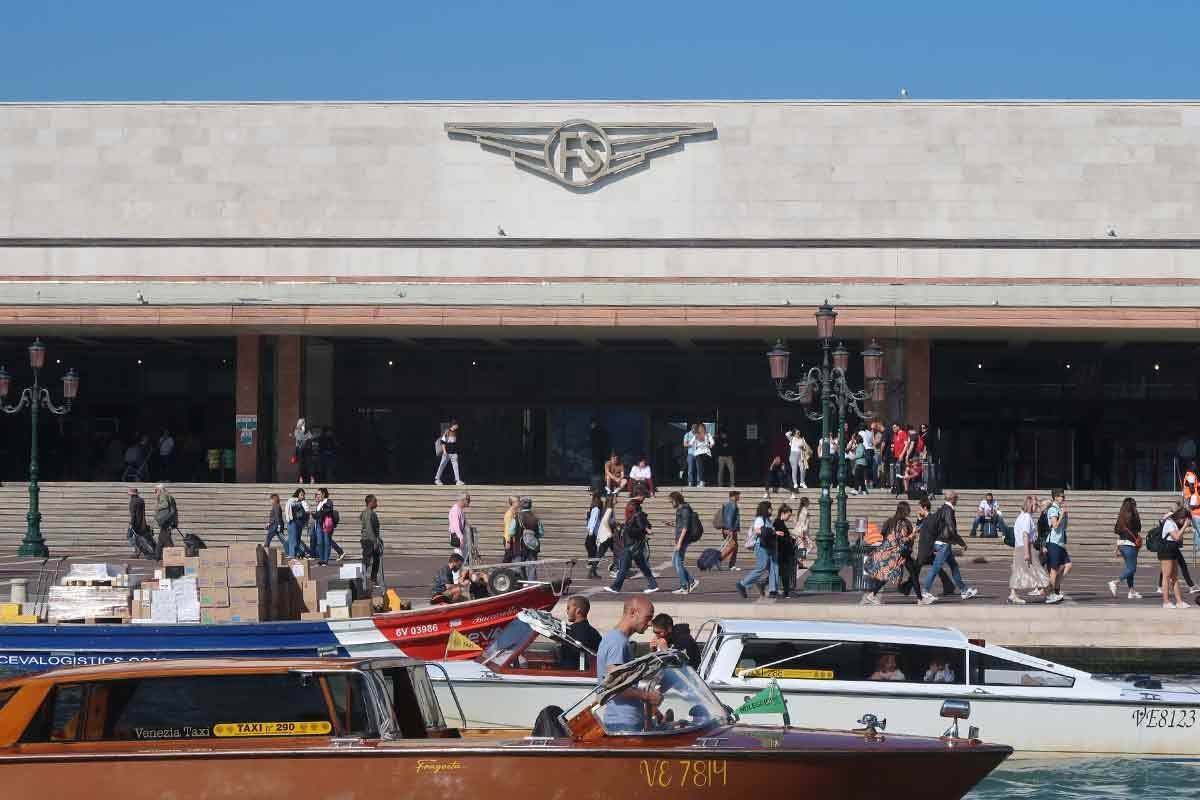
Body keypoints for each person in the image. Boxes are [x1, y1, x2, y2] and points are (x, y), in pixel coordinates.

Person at [595, 596, 661, 733]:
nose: (650, 624)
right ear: (632, 613)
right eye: (648, 617)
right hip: (623, 723)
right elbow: (616, 686)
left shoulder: (615, 638)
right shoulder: (618, 642)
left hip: (623, 720)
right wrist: (649, 696)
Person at [917, 491, 977, 604]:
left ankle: (964, 590)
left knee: (954, 566)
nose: (957, 500)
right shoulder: (948, 510)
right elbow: (951, 529)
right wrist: (962, 543)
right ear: (952, 499)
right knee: (936, 567)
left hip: (942, 542)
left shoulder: (942, 509)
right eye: (957, 498)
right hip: (943, 543)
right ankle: (925, 592)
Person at [862, 501, 914, 605]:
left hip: (889, 552)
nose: (909, 512)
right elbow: (904, 539)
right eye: (908, 510)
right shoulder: (903, 523)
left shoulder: (890, 521)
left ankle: (874, 593)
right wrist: (910, 537)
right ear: (904, 511)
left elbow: (883, 535)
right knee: (889, 575)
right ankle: (873, 594)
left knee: (889, 574)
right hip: (896, 554)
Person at [606, 497, 659, 594]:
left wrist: (627, 529)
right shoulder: (637, 516)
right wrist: (624, 526)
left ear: (633, 507)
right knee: (643, 567)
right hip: (634, 546)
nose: (626, 508)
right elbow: (642, 527)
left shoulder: (638, 516)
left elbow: (642, 528)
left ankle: (615, 587)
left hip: (632, 546)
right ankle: (653, 585)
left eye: (629, 506)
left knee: (623, 567)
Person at [1009, 495, 1050, 604]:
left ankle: (1013, 594)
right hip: (1026, 547)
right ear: (1030, 505)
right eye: (1036, 504)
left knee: (1018, 571)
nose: (1037, 507)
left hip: (1019, 547)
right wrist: (1027, 552)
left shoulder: (1021, 516)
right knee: (1038, 570)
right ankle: (1049, 594)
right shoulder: (1027, 517)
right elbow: (1025, 535)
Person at [736, 500, 775, 599]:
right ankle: (743, 584)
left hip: (768, 546)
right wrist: (771, 531)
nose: (772, 509)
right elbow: (758, 531)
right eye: (770, 508)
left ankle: (763, 584)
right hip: (761, 546)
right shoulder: (760, 519)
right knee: (761, 567)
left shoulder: (767, 519)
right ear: (766, 509)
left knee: (773, 568)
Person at [1108, 497, 1143, 600]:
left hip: (1122, 544)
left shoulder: (1121, 517)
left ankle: (1131, 591)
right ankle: (1115, 582)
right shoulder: (1133, 516)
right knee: (1132, 568)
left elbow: (1117, 531)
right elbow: (1139, 528)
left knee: (1129, 568)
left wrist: (1117, 547)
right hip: (1130, 544)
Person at [667, 492, 700, 594]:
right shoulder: (681, 510)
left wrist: (679, 543)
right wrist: (672, 524)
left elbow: (685, 528)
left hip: (683, 540)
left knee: (678, 563)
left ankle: (685, 586)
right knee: (675, 562)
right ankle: (691, 581)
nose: (670, 503)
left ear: (676, 500)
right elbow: (681, 525)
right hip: (680, 540)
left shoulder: (685, 510)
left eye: (671, 501)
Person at [1160, 506, 1193, 609]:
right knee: (1166, 576)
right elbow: (1177, 536)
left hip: (1172, 549)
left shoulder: (1174, 523)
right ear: (1181, 517)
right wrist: (1184, 527)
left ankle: (1179, 601)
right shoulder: (1169, 522)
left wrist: (1186, 529)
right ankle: (1166, 601)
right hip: (1166, 549)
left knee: (1174, 577)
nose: (1184, 522)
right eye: (1185, 520)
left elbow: (1177, 536)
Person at [558, 595, 602, 670]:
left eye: (568, 608)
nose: (567, 611)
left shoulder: (571, 632)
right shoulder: (593, 632)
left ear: (578, 610)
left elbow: (569, 659)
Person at [1044, 489, 1072, 604]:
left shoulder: (1059, 509)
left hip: (1060, 543)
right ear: (1055, 497)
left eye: (1063, 496)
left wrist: (1066, 515)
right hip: (1053, 542)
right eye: (1061, 496)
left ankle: (1055, 588)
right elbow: (1055, 525)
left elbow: (1064, 526)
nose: (1063, 498)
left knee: (1069, 565)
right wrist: (1061, 515)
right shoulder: (1052, 509)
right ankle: (1051, 593)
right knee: (1054, 570)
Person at [516, 496, 544, 580]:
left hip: (521, 545)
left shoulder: (518, 517)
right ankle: (531, 584)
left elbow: (512, 531)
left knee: (519, 564)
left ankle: (522, 582)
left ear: (521, 505)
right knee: (532, 566)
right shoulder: (536, 518)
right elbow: (541, 533)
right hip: (534, 545)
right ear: (530, 505)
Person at [311, 487, 341, 565]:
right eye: (316, 494)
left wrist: (320, 512)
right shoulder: (319, 503)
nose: (317, 496)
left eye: (318, 494)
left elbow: (326, 511)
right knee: (320, 542)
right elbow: (318, 515)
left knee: (327, 542)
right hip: (319, 524)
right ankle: (321, 559)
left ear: (323, 494)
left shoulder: (328, 501)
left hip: (326, 524)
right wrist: (313, 514)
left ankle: (325, 560)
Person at [773, 504, 797, 597]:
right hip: (782, 551)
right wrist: (790, 539)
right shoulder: (778, 523)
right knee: (784, 572)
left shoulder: (780, 523)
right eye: (788, 515)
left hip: (784, 550)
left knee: (782, 572)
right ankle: (786, 591)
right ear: (783, 513)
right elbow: (780, 538)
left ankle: (786, 590)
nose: (789, 517)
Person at [360, 494, 383, 586]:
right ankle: (363, 579)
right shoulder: (368, 513)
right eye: (375, 501)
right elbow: (369, 528)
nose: (377, 503)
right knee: (366, 559)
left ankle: (373, 579)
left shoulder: (368, 512)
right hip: (368, 540)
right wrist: (374, 541)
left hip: (371, 538)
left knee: (376, 559)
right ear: (370, 503)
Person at [152, 483, 178, 560]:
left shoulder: (163, 495)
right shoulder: (169, 495)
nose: (155, 492)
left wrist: (157, 507)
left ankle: (174, 555)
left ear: (160, 490)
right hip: (169, 520)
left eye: (156, 490)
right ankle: (157, 555)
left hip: (166, 520)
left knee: (166, 539)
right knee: (161, 538)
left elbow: (165, 505)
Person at [434, 421, 463, 486]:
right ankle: (437, 479)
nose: (457, 427)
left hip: (454, 453)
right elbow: (443, 442)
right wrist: (444, 451)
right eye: (456, 425)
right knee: (442, 465)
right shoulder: (447, 431)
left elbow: (454, 443)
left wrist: (456, 453)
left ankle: (457, 480)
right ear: (453, 425)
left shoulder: (455, 432)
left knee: (456, 466)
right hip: (447, 453)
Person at [684, 423, 714, 488]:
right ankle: (701, 481)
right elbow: (690, 443)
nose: (701, 429)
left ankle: (705, 481)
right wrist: (690, 444)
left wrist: (710, 445)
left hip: (706, 453)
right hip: (698, 453)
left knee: (706, 468)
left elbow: (712, 442)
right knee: (700, 468)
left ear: (704, 428)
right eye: (699, 428)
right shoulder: (696, 435)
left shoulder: (708, 435)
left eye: (702, 428)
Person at [448, 492, 474, 565]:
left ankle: (461, 573)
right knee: (458, 555)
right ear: (463, 500)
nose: (469, 502)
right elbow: (456, 525)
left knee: (464, 555)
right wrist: (460, 537)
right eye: (468, 500)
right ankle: (455, 574)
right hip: (457, 536)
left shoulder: (459, 510)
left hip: (460, 535)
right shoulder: (455, 510)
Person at [127, 487, 152, 558]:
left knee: (129, 536)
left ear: (131, 495)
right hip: (142, 522)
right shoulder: (141, 500)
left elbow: (133, 514)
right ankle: (141, 552)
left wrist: (131, 524)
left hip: (135, 523)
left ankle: (139, 551)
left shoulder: (132, 502)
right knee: (143, 538)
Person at [584, 492, 604, 578]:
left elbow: (592, 520)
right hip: (593, 533)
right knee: (595, 553)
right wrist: (591, 531)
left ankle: (593, 572)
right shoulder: (596, 509)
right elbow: (593, 520)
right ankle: (592, 570)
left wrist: (589, 530)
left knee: (594, 552)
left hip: (592, 532)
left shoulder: (594, 508)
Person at [285, 488, 308, 558]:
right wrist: (299, 503)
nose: (302, 496)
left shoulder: (303, 503)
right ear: (297, 494)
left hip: (299, 523)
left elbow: (305, 513)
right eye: (301, 495)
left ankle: (294, 555)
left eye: (303, 495)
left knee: (297, 540)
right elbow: (289, 508)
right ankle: (292, 555)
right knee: (293, 540)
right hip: (292, 522)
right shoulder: (291, 500)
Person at [589, 419, 610, 488]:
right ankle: (599, 486)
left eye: (591, 424)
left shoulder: (594, 432)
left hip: (597, 456)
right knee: (600, 471)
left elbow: (592, 443)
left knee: (596, 472)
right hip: (600, 455)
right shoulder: (602, 432)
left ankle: (596, 487)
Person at [293, 418, 313, 484]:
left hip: (307, 451)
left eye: (304, 423)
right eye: (302, 422)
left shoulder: (307, 430)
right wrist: (304, 435)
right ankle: (300, 478)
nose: (304, 424)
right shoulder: (296, 430)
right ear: (299, 423)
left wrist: (305, 436)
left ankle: (309, 479)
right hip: (300, 451)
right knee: (301, 465)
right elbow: (298, 438)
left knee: (308, 465)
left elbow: (310, 437)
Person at [794, 496, 813, 570]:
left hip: (799, 531)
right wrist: (803, 532)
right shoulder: (804, 511)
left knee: (802, 547)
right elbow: (803, 523)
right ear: (806, 502)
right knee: (807, 546)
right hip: (802, 532)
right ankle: (799, 561)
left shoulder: (800, 510)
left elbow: (796, 521)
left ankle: (800, 562)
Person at [502, 495, 520, 564]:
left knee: (510, 558)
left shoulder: (515, 513)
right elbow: (508, 528)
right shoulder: (509, 514)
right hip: (509, 540)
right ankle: (500, 572)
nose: (519, 503)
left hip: (513, 539)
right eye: (517, 501)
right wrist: (508, 541)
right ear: (513, 503)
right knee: (507, 558)